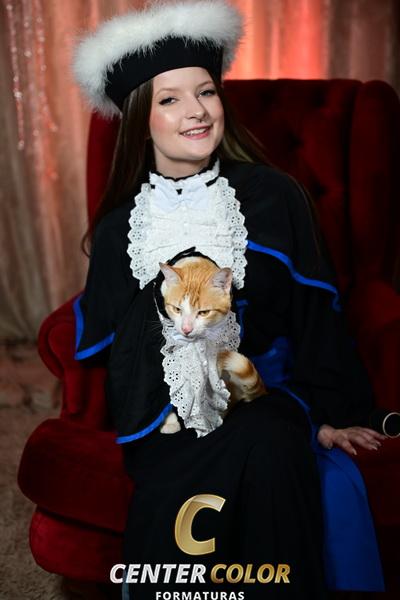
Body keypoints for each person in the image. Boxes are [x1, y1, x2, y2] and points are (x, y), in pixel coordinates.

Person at [72, 1, 395, 598]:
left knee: (269, 443)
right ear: (141, 119)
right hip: (162, 415)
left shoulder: (275, 195)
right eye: (170, 99)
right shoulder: (122, 228)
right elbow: (110, 349)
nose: (197, 110)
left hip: (266, 397)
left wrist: (330, 413)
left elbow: (317, 316)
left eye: (206, 92)